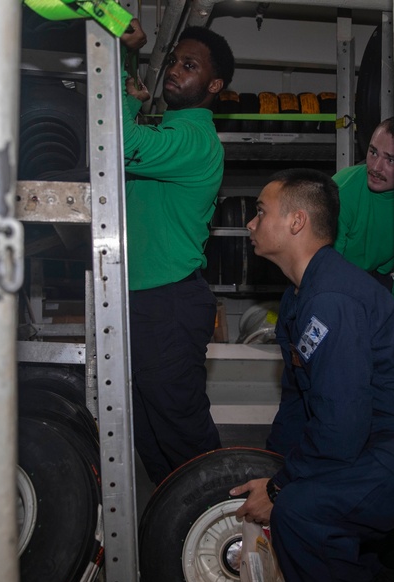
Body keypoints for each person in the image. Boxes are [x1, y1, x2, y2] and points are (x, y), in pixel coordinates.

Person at [230, 169, 394, 582]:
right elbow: (298, 402)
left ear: (297, 221)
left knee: (301, 513)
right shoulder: (299, 295)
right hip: (358, 442)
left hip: (388, 453)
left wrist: (282, 490)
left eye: (261, 211)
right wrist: (272, 464)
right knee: (274, 482)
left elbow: (341, 428)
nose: (250, 223)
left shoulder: (332, 299)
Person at [119, 25, 235, 485]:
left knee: (186, 442)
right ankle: (181, 544)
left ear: (213, 86)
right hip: (144, 301)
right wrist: (128, 66)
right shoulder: (168, 132)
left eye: (190, 66)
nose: (174, 71)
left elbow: (121, 146)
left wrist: (121, 56)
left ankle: (230, 536)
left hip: (166, 304)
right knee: (153, 442)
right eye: (174, 61)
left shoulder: (194, 139)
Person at [332, 118, 394, 291]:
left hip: (381, 276)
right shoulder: (342, 189)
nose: (376, 167)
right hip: (335, 274)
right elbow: (327, 270)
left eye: (390, 160)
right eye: (373, 152)